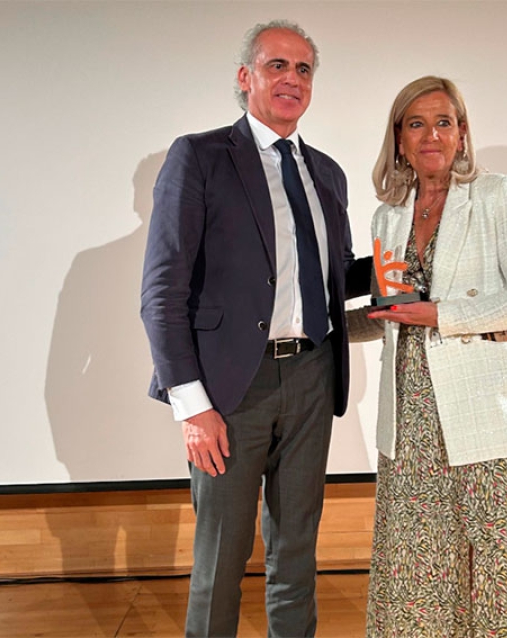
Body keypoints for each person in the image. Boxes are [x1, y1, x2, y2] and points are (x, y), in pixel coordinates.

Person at [140, 20, 370, 637]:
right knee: (222, 558)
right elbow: (162, 292)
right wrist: (192, 406)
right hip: (227, 390)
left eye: (303, 69)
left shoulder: (327, 173)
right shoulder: (201, 156)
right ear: (246, 78)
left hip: (313, 376)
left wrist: (396, 277)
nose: (291, 79)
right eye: (277, 66)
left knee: (295, 552)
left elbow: (334, 277)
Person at [363, 76, 507, 637]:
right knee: (415, 563)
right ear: (399, 139)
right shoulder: (388, 216)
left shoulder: (496, 194)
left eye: (444, 122)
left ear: (463, 133)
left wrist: (443, 314)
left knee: (486, 558)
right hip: (411, 413)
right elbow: (392, 307)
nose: (431, 136)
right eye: (416, 124)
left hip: (484, 410)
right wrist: (324, 322)